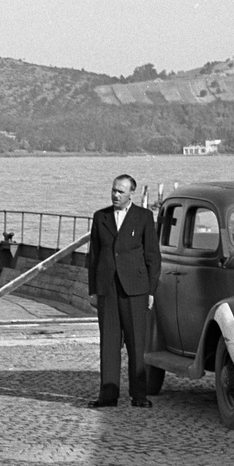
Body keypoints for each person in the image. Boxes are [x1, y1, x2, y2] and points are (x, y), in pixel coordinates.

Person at [86, 173, 161, 408]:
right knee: (109, 343)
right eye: (113, 190)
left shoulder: (144, 217)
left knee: (136, 343)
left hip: (135, 290)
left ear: (131, 194)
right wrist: (93, 290)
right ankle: (108, 395)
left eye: (120, 191)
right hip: (107, 288)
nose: (115, 194)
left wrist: (150, 291)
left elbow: (153, 257)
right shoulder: (101, 217)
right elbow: (94, 256)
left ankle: (139, 396)